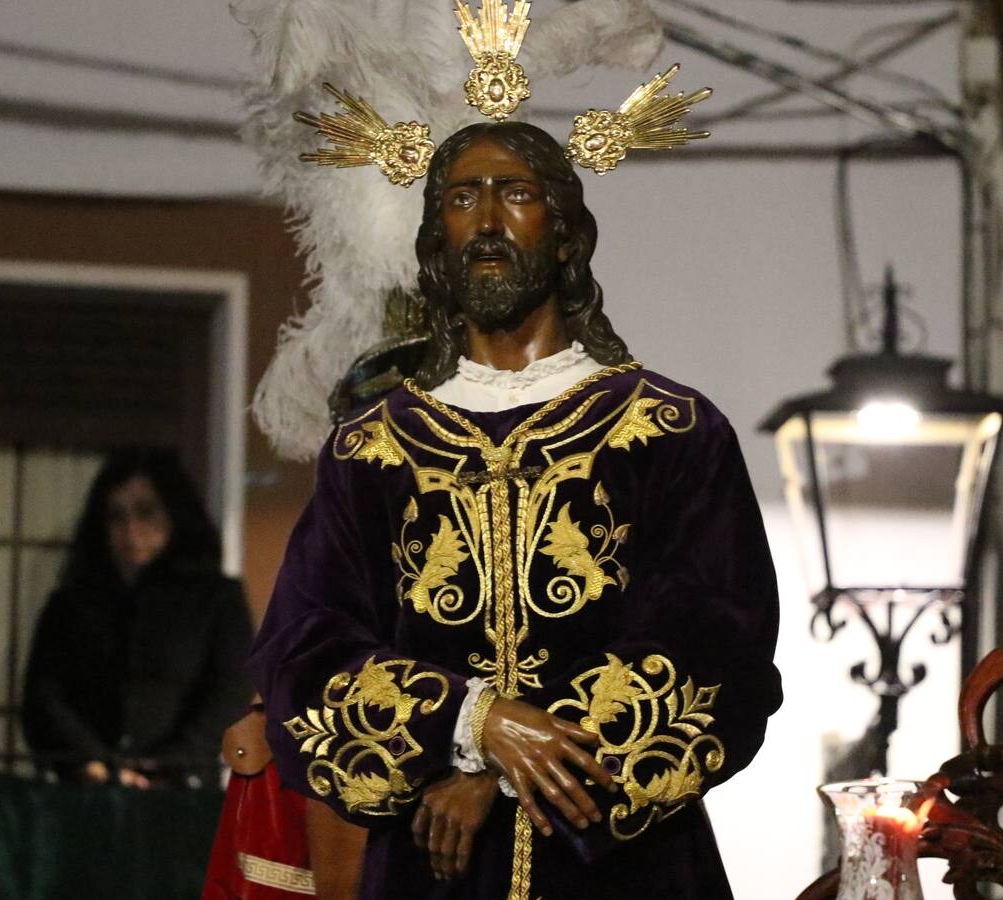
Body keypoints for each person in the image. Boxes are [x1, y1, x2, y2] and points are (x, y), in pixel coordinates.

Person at [249, 121, 782, 899]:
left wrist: (497, 777)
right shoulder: (373, 450)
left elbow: (715, 646)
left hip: (621, 868)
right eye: (463, 199)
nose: (489, 221)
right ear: (438, 242)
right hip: (433, 869)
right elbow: (304, 653)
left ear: (566, 236)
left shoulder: (668, 430)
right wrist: (472, 722)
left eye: (517, 194)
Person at [23, 448, 253, 787]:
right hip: (83, 789)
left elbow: (229, 693)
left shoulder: (217, 600)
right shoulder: (70, 603)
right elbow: (43, 697)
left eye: (146, 513)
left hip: (180, 791)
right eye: (117, 516)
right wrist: (92, 763)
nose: (131, 529)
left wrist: (166, 765)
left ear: (174, 514)